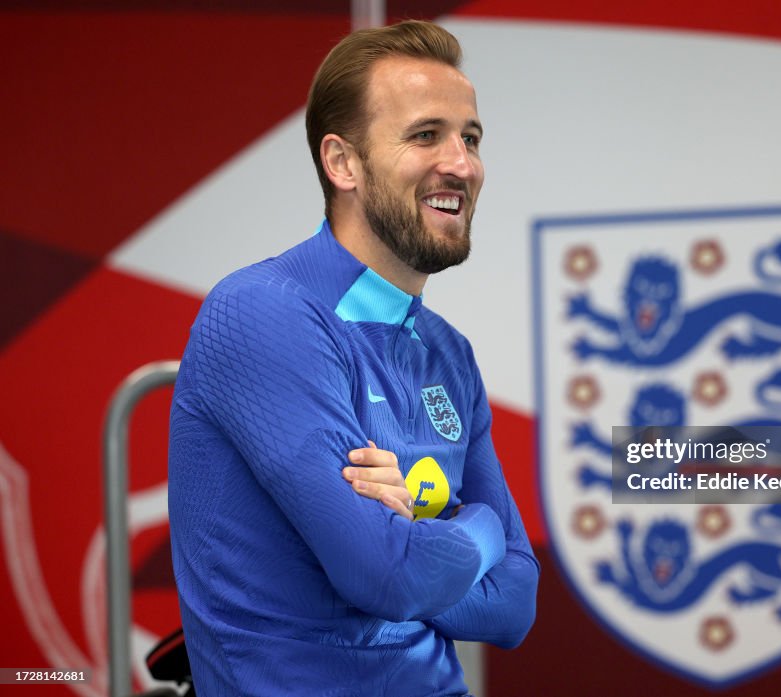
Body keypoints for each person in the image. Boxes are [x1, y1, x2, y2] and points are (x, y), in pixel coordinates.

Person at [167, 20, 539, 696]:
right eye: (426, 135)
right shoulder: (262, 313)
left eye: (471, 137)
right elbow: (388, 575)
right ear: (342, 163)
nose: (461, 162)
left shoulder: (450, 353)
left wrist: (418, 549)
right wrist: (479, 526)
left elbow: (515, 600)